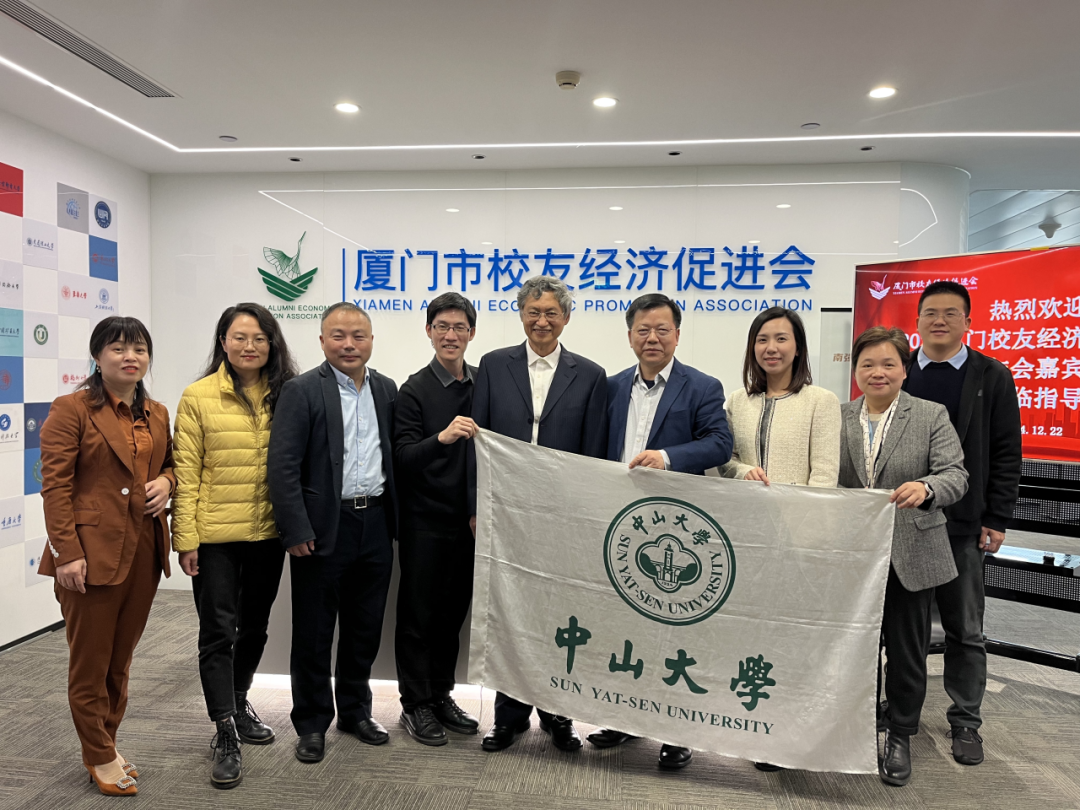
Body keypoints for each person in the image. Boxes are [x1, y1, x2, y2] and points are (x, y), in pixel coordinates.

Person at [586, 293, 732, 770]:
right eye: (643, 330)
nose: (652, 338)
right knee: (622, 626)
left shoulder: (702, 386)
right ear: (630, 336)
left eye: (662, 330)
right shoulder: (609, 386)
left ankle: (676, 731)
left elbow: (719, 443)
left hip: (675, 531)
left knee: (674, 630)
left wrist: (667, 458)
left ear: (677, 335)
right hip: (619, 525)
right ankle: (624, 718)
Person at [38, 316, 176, 797]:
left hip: (143, 550)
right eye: (118, 348)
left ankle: (107, 744)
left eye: (139, 349)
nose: (130, 357)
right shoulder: (72, 408)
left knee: (120, 661)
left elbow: (171, 465)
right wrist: (66, 553)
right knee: (91, 665)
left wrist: (167, 483)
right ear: (98, 357)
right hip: (89, 555)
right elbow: (55, 487)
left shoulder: (156, 412)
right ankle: (98, 754)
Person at [471, 276, 608, 753]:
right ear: (521, 315)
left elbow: (593, 453)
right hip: (505, 513)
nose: (542, 321)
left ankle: (557, 714)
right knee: (508, 614)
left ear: (566, 318)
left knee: (558, 614)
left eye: (551, 313)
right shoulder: (494, 365)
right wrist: (476, 505)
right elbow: (477, 441)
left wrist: (585, 516)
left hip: (561, 518)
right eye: (533, 312)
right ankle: (507, 718)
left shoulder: (590, 374)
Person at [172, 303, 298, 788]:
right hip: (215, 540)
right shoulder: (198, 396)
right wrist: (185, 540)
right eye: (239, 337)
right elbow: (186, 473)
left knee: (256, 628)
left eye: (259, 338)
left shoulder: (288, 393)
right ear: (223, 342)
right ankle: (224, 728)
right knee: (217, 632)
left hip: (268, 534)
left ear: (272, 344)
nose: (249, 346)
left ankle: (239, 700)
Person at [267, 303, 398, 764]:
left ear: (371, 340)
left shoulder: (386, 389)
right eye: (338, 335)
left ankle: (356, 712)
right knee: (314, 631)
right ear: (322, 341)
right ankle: (311, 722)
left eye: (358, 336)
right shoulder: (301, 390)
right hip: (322, 527)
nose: (349, 344)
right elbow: (282, 466)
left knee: (365, 627)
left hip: (375, 523)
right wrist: (295, 528)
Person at [838, 326, 968, 787]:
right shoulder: (838, 415)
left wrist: (928, 487)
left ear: (904, 369)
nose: (878, 372)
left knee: (906, 652)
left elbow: (956, 474)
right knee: (853, 649)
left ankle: (900, 735)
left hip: (911, 552)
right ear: (855, 370)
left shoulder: (930, 414)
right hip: (854, 556)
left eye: (888, 364)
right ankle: (850, 729)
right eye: (868, 364)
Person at [902, 280, 1022, 766]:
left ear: (968, 322)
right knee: (904, 629)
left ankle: (966, 720)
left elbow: (1006, 451)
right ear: (917, 321)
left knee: (965, 628)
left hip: (964, 524)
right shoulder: (898, 369)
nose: (939, 321)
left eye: (951, 313)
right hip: (904, 523)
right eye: (930, 312)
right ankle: (900, 713)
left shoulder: (991, 375)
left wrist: (997, 516)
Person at [393, 292, 480, 746]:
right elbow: (403, 457)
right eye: (442, 326)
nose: (451, 335)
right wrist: (441, 438)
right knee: (419, 617)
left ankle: (442, 695)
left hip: (471, 524)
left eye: (459, 327)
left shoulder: (484, 382)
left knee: (452, 616)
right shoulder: (413, 390)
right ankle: (415, 704)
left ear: (471, 333)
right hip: (425, 523)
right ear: (429, 331)